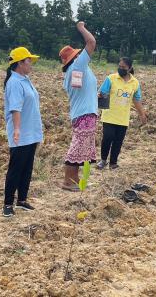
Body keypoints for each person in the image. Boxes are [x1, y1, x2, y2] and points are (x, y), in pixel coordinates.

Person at [2, 47, 43, 217]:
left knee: (27, 167)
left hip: (30, 132)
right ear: (19, 63)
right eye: (28, 61)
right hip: (21, 133)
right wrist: (17, 129)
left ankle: (22, 200)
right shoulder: (14, 83)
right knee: (16, 168)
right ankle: (7, 203)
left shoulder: (25, 79)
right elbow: (15, 109)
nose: (31, 64)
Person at [60, 21, 97, 191]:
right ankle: (69, 181)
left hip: (82, 113)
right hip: (84, 114)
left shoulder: (73, 72)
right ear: (74, 58)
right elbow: (91, 42)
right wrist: (81, 28)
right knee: (77, 147)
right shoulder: (78, 66)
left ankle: (74, 180)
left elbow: (83, 91)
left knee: (80, 146)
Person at [96, 58, 147, 170]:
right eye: (119, 66)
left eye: (123, 67)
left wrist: (142, 114)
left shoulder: (135, 83)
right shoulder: (111, 78)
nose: (121, 69)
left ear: (129, 68)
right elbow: (102, 93)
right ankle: (103, 160)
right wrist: (98, 97)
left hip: (123, 117)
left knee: (118, 140)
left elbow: (137, 100)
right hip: (109, 115)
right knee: (107, 137)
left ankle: (113, 162)